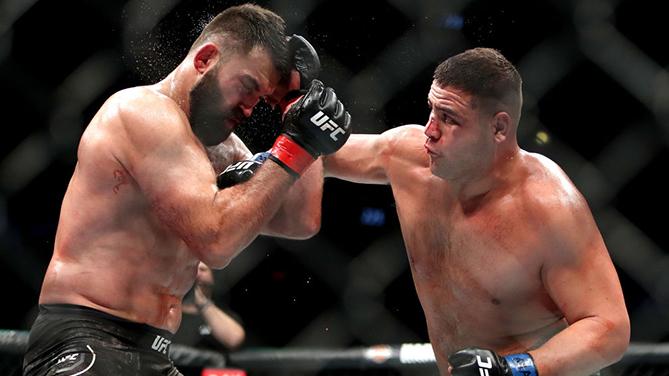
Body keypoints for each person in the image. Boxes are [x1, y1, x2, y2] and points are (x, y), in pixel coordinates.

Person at [22, 3, 351, 376]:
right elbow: (215, 240)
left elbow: (299, 219)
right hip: (86, 339)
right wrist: (295, 147)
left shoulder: (221, 148)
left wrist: (298, 113)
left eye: (261, 100)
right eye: (247, 87)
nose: (248, 110)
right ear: (206, 59)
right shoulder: (141, 111)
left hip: (155, 351)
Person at [323, 48, 629, 376]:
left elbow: (609, 328)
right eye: (431, 111)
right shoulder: (407, 158)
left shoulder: (548, 208)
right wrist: (287, 120)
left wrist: (512, 370)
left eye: (449, 118)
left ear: (498, 128)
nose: (430, 130)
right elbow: (316, 153)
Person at [174, 262, 245, 351]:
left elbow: (234, 339)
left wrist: (201, 301)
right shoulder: (170, 312)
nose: (196, 273)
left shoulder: (224, 316)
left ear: (213, 277)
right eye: (191, 270)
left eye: (202, 270)